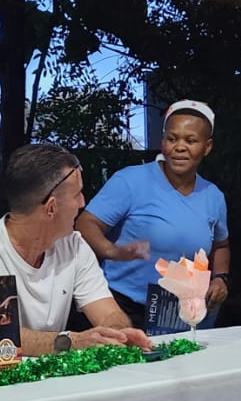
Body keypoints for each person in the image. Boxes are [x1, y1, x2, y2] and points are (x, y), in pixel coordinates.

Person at [0, 141, 151, 356]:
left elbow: (108, 313)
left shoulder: (74, 246)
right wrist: (70, 342)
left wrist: (117, 334)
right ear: (51, 207)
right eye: (77, 194)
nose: (82, 203)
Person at [76, 99, 230, 327]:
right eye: (172, 139)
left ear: (207, 147)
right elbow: (86, 223)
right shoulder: (130, 181)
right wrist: (110, 250)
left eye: (190, 141)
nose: (179, 147)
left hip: (183, 314)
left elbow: (221, 245)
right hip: (124, 309)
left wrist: (220, 278)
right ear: (163, 142)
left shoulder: (213, 196)